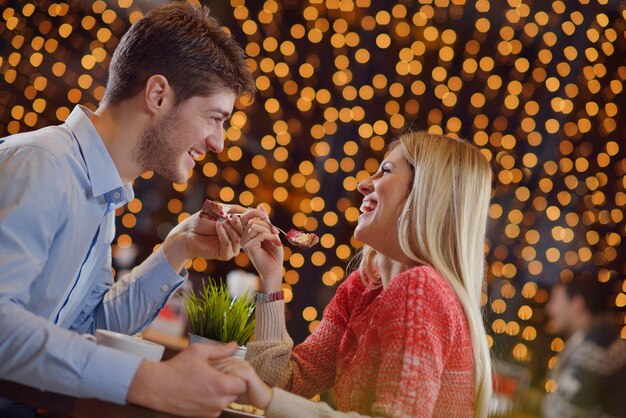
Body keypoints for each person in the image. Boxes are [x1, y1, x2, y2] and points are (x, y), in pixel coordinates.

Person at [0, 3, 258, 417]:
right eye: (214, 118)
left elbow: (88, 329)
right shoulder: (43, 164)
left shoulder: (102, 192)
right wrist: (147, 380)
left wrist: (178, 250)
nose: (219, 142)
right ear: (158, 95)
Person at [215, 131, 494, 417]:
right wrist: (271, 277)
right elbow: (283, 385)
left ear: (424, 193)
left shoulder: (421, 290)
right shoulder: (362, 290)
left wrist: (267, 398)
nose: (363, 185)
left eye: (385, 171)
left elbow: (269, 396)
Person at [542, 272, 626, 418]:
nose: (548, 309)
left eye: (555, 300)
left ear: (577, 304)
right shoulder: (599, 336)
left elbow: (559, 412)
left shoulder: (597, 346)